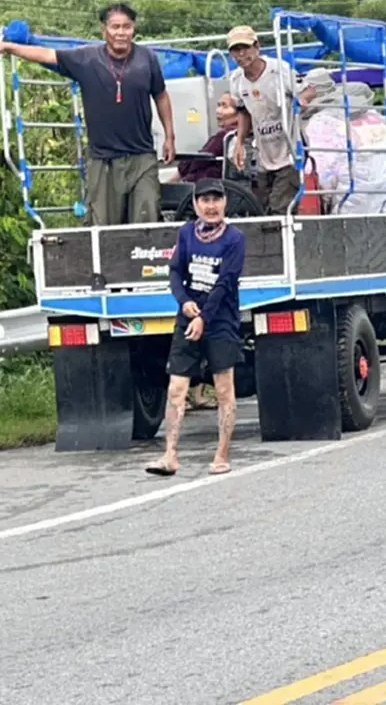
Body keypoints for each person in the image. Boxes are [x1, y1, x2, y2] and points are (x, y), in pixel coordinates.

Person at [0, 3, 176, 226]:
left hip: (142, 157)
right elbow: (46, 54)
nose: (121, 33)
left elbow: (161, 95)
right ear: (104, 30)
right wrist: (9, 47)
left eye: (127, 27)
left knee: (147, 218)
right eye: (115, 27)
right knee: (104, 227)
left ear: (134, 29)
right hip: (104, 160)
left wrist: (170, 136)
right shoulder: (87, 59)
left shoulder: (146, 59)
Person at [145, 178, 246, 478]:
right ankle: (170, 455)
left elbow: (226, 283)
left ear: (225, 203)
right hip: (188, 318)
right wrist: (184, 301)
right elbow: (175, 271)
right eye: (204, 200)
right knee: (177, 388)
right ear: (195, 204)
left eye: (216, 199)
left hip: (221, 321)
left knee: (224, 389)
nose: (211, 206)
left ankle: (221, 454)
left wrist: (205, 318)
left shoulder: (235, 239)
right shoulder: (187, 233)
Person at [225, 25, 317, 214]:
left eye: (245, 48)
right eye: (236, 50)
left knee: (280, 208)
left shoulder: (278, 70)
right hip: (264, 151)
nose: (241, 54)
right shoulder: (236, 80)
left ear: (257, 47)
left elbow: (308, 89)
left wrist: (302, 100)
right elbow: (243, 111)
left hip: (289, 149)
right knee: (261, 207)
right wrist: (240, 142)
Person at [177, 93, 243, 184]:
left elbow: (201, 159)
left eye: (225, 106)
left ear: (239, 113)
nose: (218, 110)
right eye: (219, 105)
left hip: (208, 181)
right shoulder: (238, 134)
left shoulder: (225, 136)